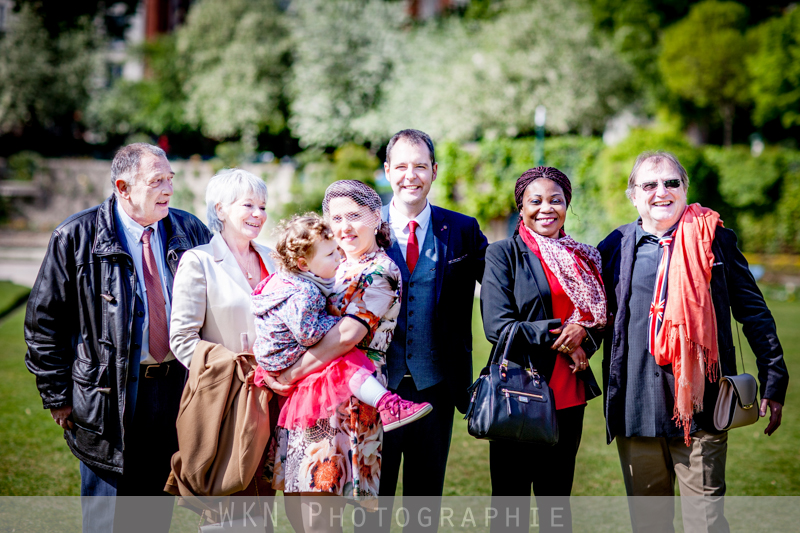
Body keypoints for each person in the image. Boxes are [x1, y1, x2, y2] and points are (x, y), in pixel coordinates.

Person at [598, 151, 789, 533]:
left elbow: (753, 311)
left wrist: (774, 376)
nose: (661, 192)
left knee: (706, 524)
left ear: (685, 189)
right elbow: (590, 316)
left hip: (702, 409)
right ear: (632, 195)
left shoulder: (715, 239)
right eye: (649, 185)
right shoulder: (615, 247)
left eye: (671, 183)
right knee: (649, 526)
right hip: (637, 410)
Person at [24, 143, 211, 532]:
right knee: (107, 520)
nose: (168, 189)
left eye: (170, 179)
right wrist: (58, 397)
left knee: (153, 516)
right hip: (105, 399)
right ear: (123, 187)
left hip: (174, 392)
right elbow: (44, 323)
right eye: (156, 180)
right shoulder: (75, 236)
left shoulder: (189, 229)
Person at [356, 129, 488, 533]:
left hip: (437, 387)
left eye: (419, 166)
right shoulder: (361, 226)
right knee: (371, 509)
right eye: (401, 166)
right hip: (374, 387)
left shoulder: (462, 229)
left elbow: (502, 287)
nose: (410, 175)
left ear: (433, 171)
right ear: (387, 171)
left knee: (424, 506)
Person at [266, 180, 402, 533]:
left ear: (376, 216)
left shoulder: (379, 271)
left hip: (347, 399)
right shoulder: (328, 264)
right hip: (309, 397)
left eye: (354, 216)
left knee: (319, 512)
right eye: (336, 217)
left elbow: (346, 338)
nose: (344, 227)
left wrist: (287, 374)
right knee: (298, 507)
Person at [480, 166, 606, 532]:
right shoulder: (503, 254)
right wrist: (567, 336)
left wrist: (582, 337)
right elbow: (497, 327)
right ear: (521, 207)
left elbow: (597, 319)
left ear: (567, 205)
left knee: (556, 503)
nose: (546, 208)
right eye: (535, 201)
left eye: (556, 200)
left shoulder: (583, 257)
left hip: (568, 396)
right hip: (517, 394)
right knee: (509, 504)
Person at [252, 213, 431, 431]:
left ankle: (387, 404)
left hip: (272, 355)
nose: (338, 257)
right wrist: (334, 319)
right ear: (303, 263)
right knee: (346, 358)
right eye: (330, 254)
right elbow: (308, 335)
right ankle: (387, 404)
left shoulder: (287, 280)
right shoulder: (305, 292)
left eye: (336, 250)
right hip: (283, 354)